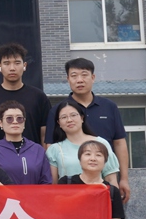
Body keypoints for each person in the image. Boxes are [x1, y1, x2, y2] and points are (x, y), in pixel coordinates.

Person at [51, 58, 131, 202]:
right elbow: (50, 145)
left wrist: (124, 178)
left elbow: (119, 142)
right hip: (68, 196)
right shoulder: (58, 110)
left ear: (93, 77)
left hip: (102, 184)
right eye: (74, 76)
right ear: (68, 79)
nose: (79, 80)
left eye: (84, 75)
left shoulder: (109, 106)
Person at [0, 43, 53, 147]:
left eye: (17, 63)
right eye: (6, 63)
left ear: (24, 65)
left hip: (32, 155)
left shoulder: (39, 97)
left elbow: (45, 134)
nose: (12, 68)